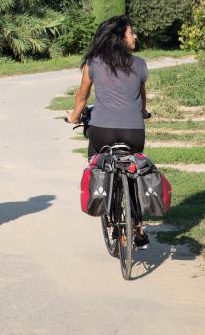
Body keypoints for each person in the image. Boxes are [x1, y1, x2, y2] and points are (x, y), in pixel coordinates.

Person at [66, 15, 150, 247]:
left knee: (96, 156)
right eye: (131, 32)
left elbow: (82, 97)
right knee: (133, 168)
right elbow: (141, 97)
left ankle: (105, 199)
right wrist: (142, 112)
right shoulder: (140, 64)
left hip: (102, 131)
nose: (135, 36)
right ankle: (138, 226)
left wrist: (73, 116)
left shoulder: (93, 63)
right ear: (120, 38)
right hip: (134, 132)